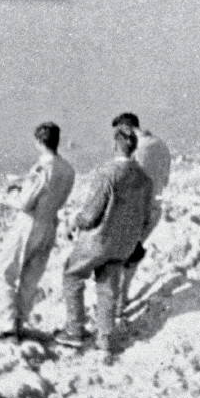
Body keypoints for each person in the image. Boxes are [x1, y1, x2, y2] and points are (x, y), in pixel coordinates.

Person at [57, 129, 155, 352]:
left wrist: (73, 222)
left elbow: (90, 216)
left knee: (72, 275)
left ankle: (75, 330)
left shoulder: (107, 174)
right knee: (108, 287)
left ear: (114, 146)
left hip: (99, 240)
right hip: (125, 244)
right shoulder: (145, 179)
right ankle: (105, 337)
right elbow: (146, 217)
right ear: (134, 148)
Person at [0, 121, 75, 340]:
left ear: (40, 142)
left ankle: (7, 324)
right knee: (31, 277)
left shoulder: (42, 168)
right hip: (49, 223)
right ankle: (20, 321)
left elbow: (25, 202)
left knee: (7, 271)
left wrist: (13, 192)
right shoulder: (68, 170)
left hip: (29, 223)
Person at [113, 112, 170, 316]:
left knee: (121, 255)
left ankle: (118, 304)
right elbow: (165, 180)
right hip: (155, 208)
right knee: (134, 252)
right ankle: (123, 297)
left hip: (135, 209)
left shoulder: (134, 150)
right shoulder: (161, 145)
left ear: (125, 129)